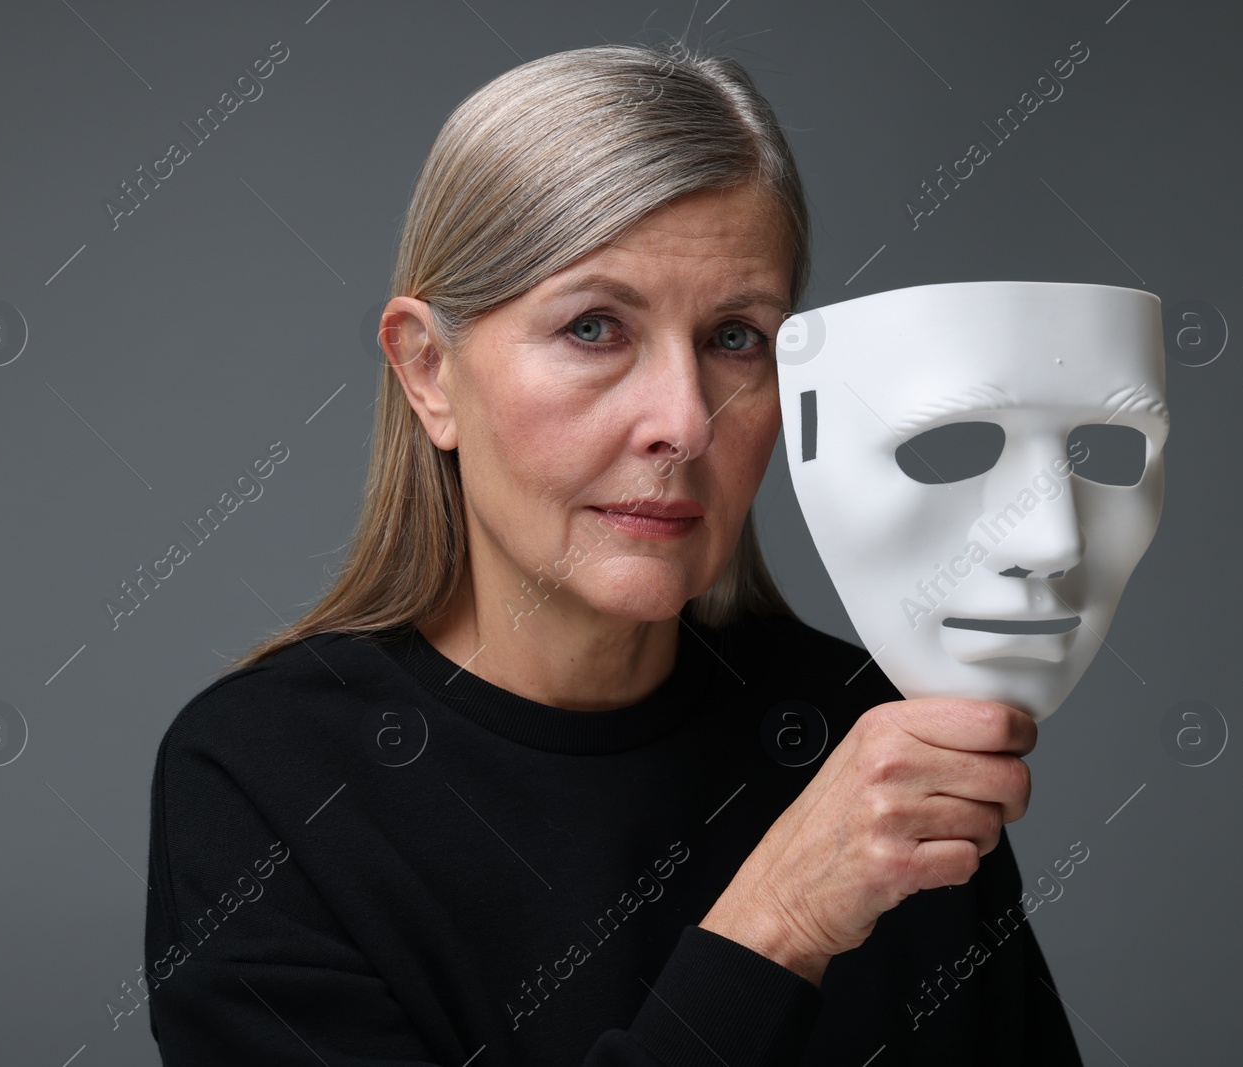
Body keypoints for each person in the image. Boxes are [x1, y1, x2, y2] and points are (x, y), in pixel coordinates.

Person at [143, 41, 1085, 1066]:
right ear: (428, 372)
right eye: (595, 327)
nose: (683, 422)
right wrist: (780, 922)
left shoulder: (872, 730)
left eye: (735, 337)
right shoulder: (262, 777)